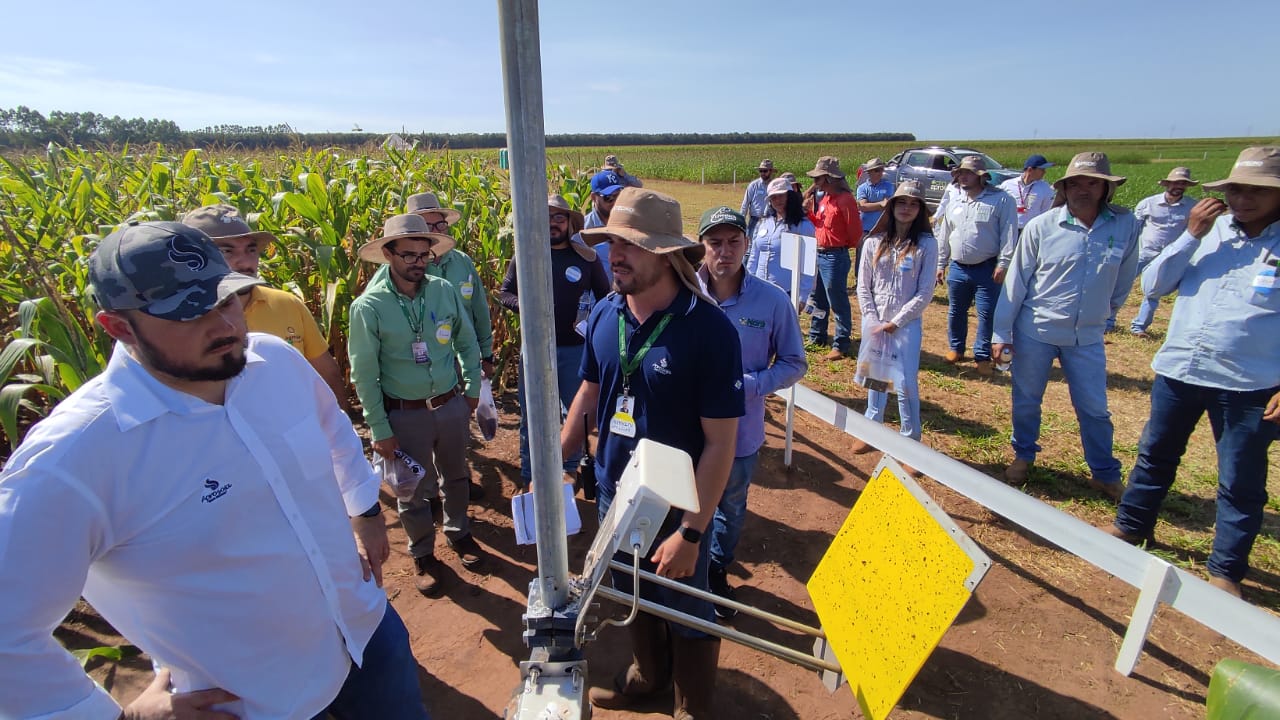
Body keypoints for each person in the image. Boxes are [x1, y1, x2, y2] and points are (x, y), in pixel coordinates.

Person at [0, 221, 428, 719]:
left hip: (365, 628)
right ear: (119, 326)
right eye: (189, 315)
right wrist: (123, 718)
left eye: (226, 301)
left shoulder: (275, 362)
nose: (225, 326)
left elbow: (333, 431)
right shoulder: (73, 459)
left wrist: (365, 510)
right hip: (256, 698)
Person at [561, 188, 744, 718]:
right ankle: (650, 674)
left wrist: (691, 532)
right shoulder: (604, 315)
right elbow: (589, 395)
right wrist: (560, 463)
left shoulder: (709, 331)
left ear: (666, 253)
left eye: (630, 245)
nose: (614, 254)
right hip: (615, 495)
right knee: (627, 586)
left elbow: (720, 443)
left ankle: (691, 708)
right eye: (611, 242)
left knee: (687, 604)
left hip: (677, 507)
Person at [1106, 147, 1280, 598]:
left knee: (1239, 479)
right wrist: (1191, 235)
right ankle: (1131, 528)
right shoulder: (1210, 231)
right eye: (1236, 189)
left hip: (1249, 385)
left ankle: (1225, 571)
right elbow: (1154, 285)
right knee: (1155, 455)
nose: (1243, 199)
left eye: (1257, 191)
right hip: (1181, 370)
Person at [348, 213, 486, 597]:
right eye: (408, 255)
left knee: (456, 477)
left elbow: (466, 339)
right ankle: (423, 553)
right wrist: (379, 428)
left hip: (450, 405)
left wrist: (472, 385)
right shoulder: (369, 307)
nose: (417, 262)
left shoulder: (443, 289)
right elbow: (364, 375)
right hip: (404, 414)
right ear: (389, 254)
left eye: (423, 255)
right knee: (412, 490)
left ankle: (460, 533)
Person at [992, 152, 1139, 498]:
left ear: (1106, 189)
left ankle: (1103, 471)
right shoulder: (1043, 227)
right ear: (1064, 188)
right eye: (1075, 183)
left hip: (1087, 337)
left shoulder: (1124, 225)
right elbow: (1017, 282)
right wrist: (1001, 333)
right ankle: (1023, 455)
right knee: (1027, 399)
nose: (1082, 189)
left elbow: (1126, 276)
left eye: (1091, 183)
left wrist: (1106, 312)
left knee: (1094, 408)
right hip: (1036, 331)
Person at [695, 206, 807, 618]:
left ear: (746, 244)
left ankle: (717, 570)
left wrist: (750, 385)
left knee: (731, 504)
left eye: (733, 242)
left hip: (741, 430)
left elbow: (795, 362)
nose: (725, 252)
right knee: (686, 498)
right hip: (687, 427)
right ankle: (689, 569)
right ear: (702, 246)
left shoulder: (772, 301)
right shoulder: (685, 292)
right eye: (715, 243)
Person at [180, 203, 355, 415]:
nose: (245, 262)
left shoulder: (286, 304)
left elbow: (326, 373)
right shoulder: (177, 322)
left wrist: (340, 434)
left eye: (250, 250)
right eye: (226, 251)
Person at [498, 194, 610, 490]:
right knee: (531, 415)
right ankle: (529, 473)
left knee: (576, 412)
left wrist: (593, 329)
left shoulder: (586, 258)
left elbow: (607, 297)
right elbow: (505, 292)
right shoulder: (525, 255)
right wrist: (527, 307)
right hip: (534, 351)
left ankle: (569, 470)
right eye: (547, 217)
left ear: (570, 223)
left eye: (559, 217)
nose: (552, 223)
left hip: (575, 351)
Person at [849, 181, 938, 451]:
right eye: (902, 202)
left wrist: (896, 321)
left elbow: (925, 291)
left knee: (904, 381)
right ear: (892, 206)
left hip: (905, 325)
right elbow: (863, 285)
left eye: (913, 204)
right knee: (876, 374)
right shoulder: (873, 242)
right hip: (874, 321)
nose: (907, 208)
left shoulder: (926, 245)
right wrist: (873, 319)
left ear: (920, 209)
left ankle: (910, 440)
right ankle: (871, 428)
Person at [936, 155, 1019, 376]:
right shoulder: (955, 201)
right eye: (960, 173)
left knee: (986, 313)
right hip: (958, 267)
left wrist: (1003, 263)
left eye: (968, 173)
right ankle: (956, 348)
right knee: (956, 311)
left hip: (987, 267)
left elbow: (1008, 234)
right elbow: (945, 234)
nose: (963, 177)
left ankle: (982, 355)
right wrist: (940, 263)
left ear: (981, 176)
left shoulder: (1001, 200)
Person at [803, 156, 863, 361]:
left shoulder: (845, 200)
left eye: (818, 178)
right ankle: (817, 335)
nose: (815, 183)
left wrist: (841, 246)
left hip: (834, 256)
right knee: (818, 297)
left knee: (837, 300)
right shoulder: (825, 199)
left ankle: (841, 343)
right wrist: (809, 213)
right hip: (819, 253)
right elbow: (821, 224)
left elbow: (855, 232)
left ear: (828, 179)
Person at [1127, 167, 1199, 337]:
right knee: (1120, 285)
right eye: (1175, 182)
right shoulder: (1148, 203)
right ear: (1167, 184)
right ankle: (1108, 321)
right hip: (1144, 253)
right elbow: (1133, 228)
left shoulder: (1192, 207)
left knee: (1153, 292)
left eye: (1182, 183)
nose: (1178, 186)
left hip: (1169, 258)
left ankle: (1139, 327)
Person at [746, 176, 816, 306]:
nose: (777, 200)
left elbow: (808, 265)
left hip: (786, 293)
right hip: (759, 290)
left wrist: (802, 297)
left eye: (781, 196)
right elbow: (754, 256)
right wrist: (747, 283)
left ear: (790, 196)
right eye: (773, 197)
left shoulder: (803, 226)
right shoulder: (763, 223)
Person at [585, 169, 627, 283]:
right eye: (608, 198)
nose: (615, 202)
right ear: (594, 197)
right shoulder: (584, 230)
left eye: (618, 196)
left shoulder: (628, 224)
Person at [998, 154, 1056, 233]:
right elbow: (999, 207)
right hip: (1010, 231)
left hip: (1033, 231)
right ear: (1030, 170)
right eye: (1042, 169)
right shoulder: (1007, 185)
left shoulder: (1045, 188)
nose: (1044, 172)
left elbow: (1047, 212)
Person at [855, 157, 895, 237]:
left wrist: (870, 205)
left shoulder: (889, 186)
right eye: (877, 170)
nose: (880, 172)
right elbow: (862, 207)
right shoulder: (862, 188)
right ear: (869, 172)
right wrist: (880, 204)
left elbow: (887, 205)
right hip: (865, 229)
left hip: (883, 229)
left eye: (881, 169)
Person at [740, 158, 775, 237]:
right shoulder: (753, 185)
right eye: (761, 171)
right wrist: (741, 221)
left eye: (765, 171)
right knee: (750, 244)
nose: (762, 173)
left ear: (771, 171)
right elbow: (745, 204)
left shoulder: (774, 185)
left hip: (770, 220)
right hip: (754, 220)